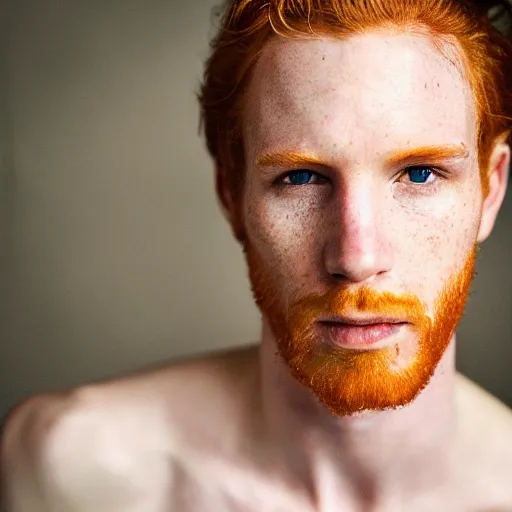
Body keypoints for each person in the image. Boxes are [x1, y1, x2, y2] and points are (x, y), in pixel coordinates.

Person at [2, 0, 512, 510]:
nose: (356, 258)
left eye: (420, 174)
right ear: (231, 194)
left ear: (490, 190)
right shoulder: (70, 470)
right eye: (300, 178)